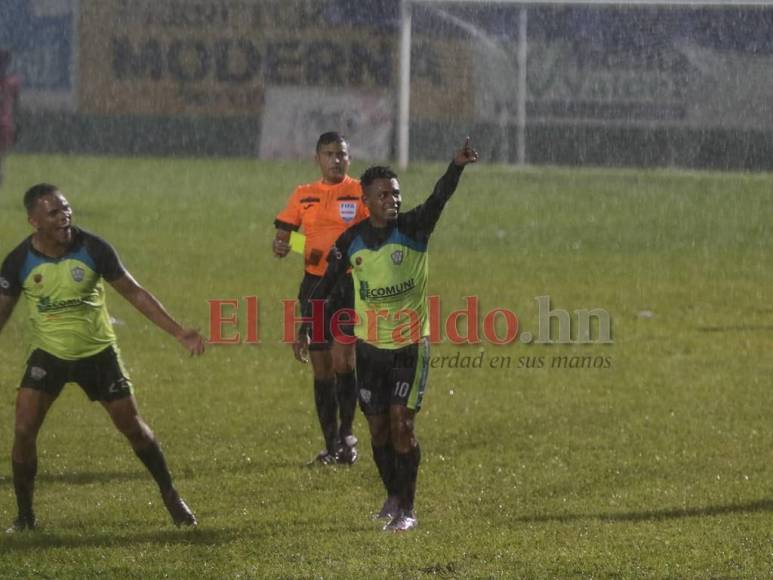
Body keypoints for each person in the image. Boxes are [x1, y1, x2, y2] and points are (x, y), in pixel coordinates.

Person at [0, 184, 206, 532]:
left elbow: (134, 293)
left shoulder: (92, 248)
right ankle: (25, 516)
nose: (65, 216)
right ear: (34, 221)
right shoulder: (19, 261)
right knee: (23, 431)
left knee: (134, 429)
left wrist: (177, 331)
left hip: (98, 355)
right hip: (49, 355)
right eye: (54, 212)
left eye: (66, 208)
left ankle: (171, 495)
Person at [297, 138, 479, 531]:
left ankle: (409, 509)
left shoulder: (415, 227)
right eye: (383, 195)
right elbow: (325, 283)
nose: (392, 200)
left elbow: (439, 197)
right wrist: (305, 327)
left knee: (402, 424)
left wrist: (456, 166)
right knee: (378, 428)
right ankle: (393, 495)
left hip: (410, 347)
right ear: (366, 200)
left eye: (395, 193)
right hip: (370, 349)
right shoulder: (352, 241)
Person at [272, 132, 368, 465]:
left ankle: (347, 436)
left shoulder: (360, 193)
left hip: (348, 286)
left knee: (345, 362)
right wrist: (283, 246)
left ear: (349, 158)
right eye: (329, 154)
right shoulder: (304, 195)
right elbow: (285, 238)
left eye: (341, 154)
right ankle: (330, 445)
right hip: (314, 287)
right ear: (318, 159)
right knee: (321, 368)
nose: (335, 159)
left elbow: (378, 234)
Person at [0, 49, 21, 187]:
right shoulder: (12, 83)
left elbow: (16, 104)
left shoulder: (11, 83)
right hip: (5, 124)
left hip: (5, 124)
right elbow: (17, 105)